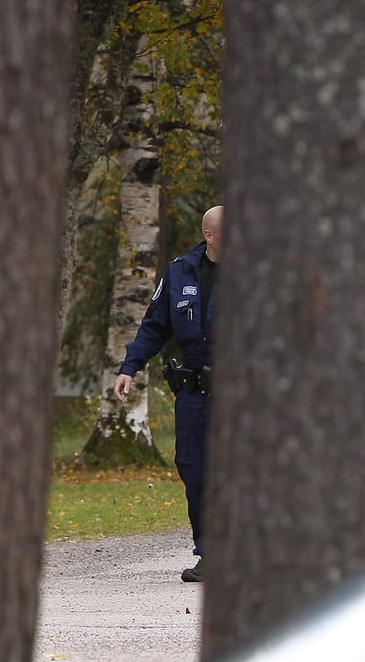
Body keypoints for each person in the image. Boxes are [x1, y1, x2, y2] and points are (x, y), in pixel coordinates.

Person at [113, 205, 222, 583]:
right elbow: (154, 327)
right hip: (193, 392)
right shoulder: (180, 272)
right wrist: (129, 368)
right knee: (193, 467)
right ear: (209, 235)